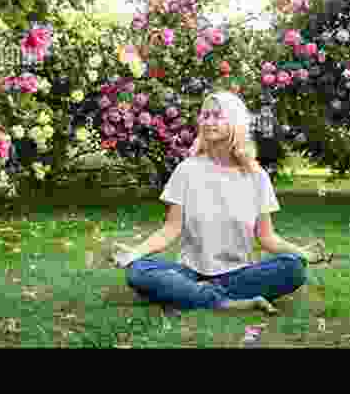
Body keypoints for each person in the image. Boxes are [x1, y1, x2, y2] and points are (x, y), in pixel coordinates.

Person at [111, 91, 330, 314]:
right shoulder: (187, 170)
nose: (209, 121)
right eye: (205, 116)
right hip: (191, 271)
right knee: (138, 271)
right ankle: (224, 302)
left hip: (238, 274)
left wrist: (304, 253)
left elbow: (267, 237)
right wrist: (134, 253)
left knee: (293, 268)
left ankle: (195, 294)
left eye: (217, 115)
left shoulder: (256, 176)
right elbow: (170, 230)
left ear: (234, 121)